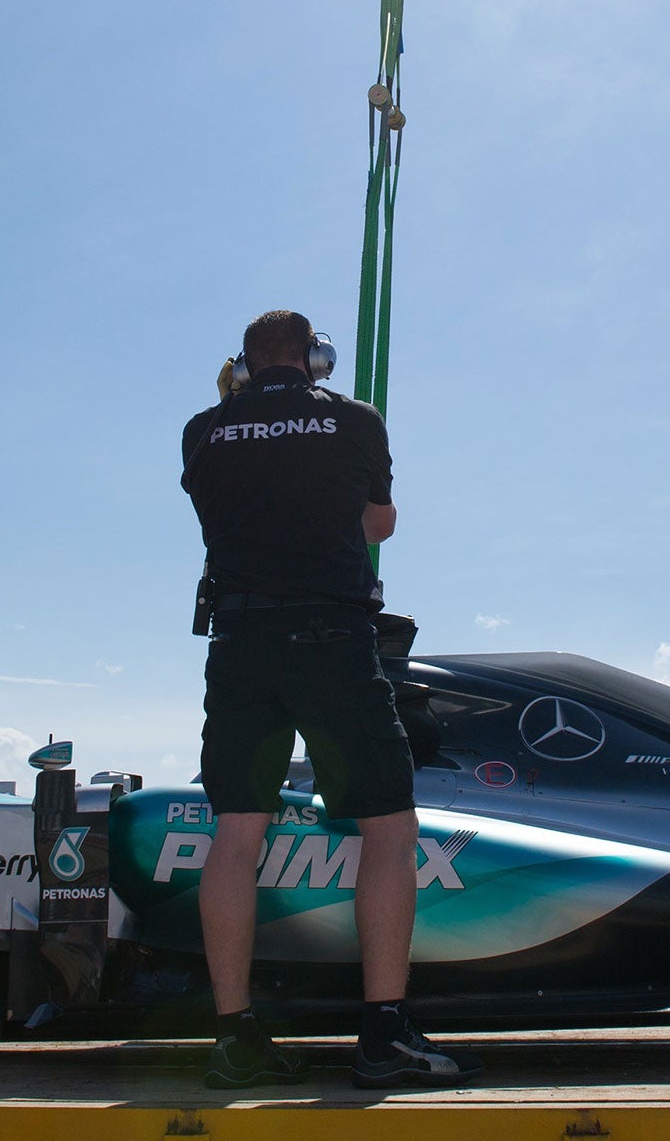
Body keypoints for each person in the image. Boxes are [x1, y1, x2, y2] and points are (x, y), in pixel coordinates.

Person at [181, 309, 480, 1090]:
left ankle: (233, 1039)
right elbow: (379, 521)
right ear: (314, 358)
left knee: (236, 834)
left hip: (239, 646)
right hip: (330, 639)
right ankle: (382, 1035)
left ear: (244, 367)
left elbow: (227, 516)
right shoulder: (353, 420)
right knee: (387, 823)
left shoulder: (202, 431)